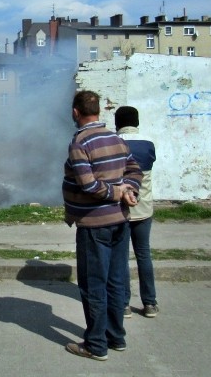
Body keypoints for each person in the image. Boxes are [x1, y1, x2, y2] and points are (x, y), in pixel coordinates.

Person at [62, 90, 142, 361]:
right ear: (99, 111)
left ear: (76, 112)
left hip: (95, 225)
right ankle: (116, 337)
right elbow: (134, 170)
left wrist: (118, 192)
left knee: (93, 284)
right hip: (120, 221)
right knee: (115, 281)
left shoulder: (80, 142)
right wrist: (130, 189)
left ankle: (96, 345)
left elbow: (89, 184)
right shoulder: (115, 138)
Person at [115, 105, 159, 319]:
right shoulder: (149, 143)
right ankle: (149, 303)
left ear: (117, 123)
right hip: (144, 207)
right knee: (144, 254)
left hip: (121, 209)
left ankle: (124, 304)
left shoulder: (114, 143)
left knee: (121, 257)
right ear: (137, 122)